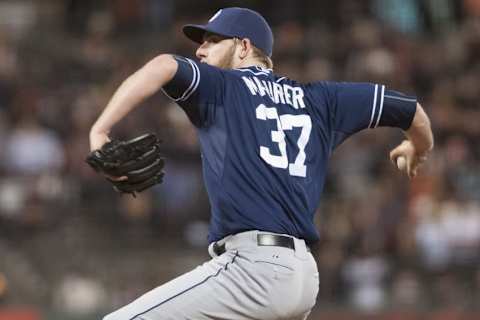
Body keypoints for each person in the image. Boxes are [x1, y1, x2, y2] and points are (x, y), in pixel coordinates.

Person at [89, 7, 434, 320]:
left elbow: (164, 65)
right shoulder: (321, 100)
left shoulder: (223, 86)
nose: (200, 50)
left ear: (242, 47)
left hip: (253, 270)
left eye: (212, 40)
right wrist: (418, 146)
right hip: (302, 278)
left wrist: (100, 131)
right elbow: (410, 110)